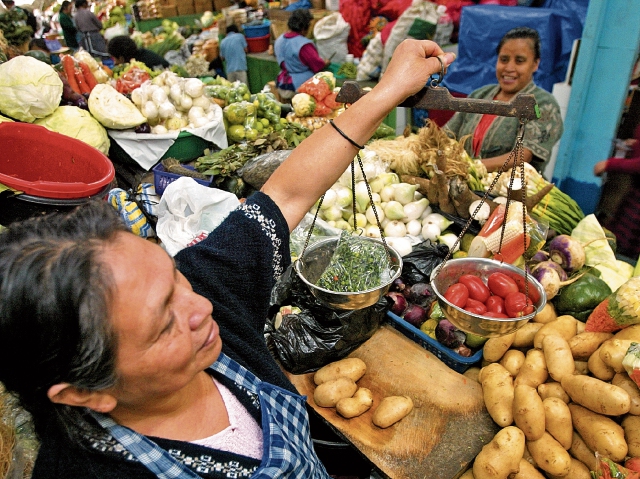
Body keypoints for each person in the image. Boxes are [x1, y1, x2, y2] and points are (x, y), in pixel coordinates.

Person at [0, 40, 455, 478]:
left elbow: (286, 194)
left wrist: (388, 90)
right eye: (164, 325)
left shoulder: (205, 296)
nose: (201, 306)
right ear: (85, 394)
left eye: (175, 279)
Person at [444, 26, 563, 174]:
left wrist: (469, 167)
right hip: (461, 179)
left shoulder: (543, 104)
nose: (509, 68)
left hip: (509, 187)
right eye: (504, 59)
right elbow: (446, 136)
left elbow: (523, 155)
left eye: (519, 61)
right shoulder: (480, 95)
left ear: (535, 64)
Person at [593, 123, 640, 260]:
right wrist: (636, 145)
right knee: (617, 244)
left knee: (626, 253)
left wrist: (610, 164)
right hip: (635, 192)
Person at [274, 8, 328, 102]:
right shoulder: (304, 45)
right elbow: (317, 65)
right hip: (299, 86)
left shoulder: (279, 40)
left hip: (281, 83)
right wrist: (325, 62)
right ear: (304, 27)